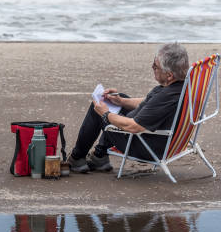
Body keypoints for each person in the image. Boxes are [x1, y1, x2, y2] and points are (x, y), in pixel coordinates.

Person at [67, 42, 189, 173]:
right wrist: (121, 101)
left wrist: (105, 114)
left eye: (155, 66)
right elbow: (150, 104)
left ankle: (77, 158)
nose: (152, 67)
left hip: (146, 146)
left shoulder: (167, 96)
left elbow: (133, 126)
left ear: (169, 75)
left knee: (97, 108)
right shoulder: (182, 86)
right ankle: (99, 157)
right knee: (115, 102)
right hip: (164, 139)